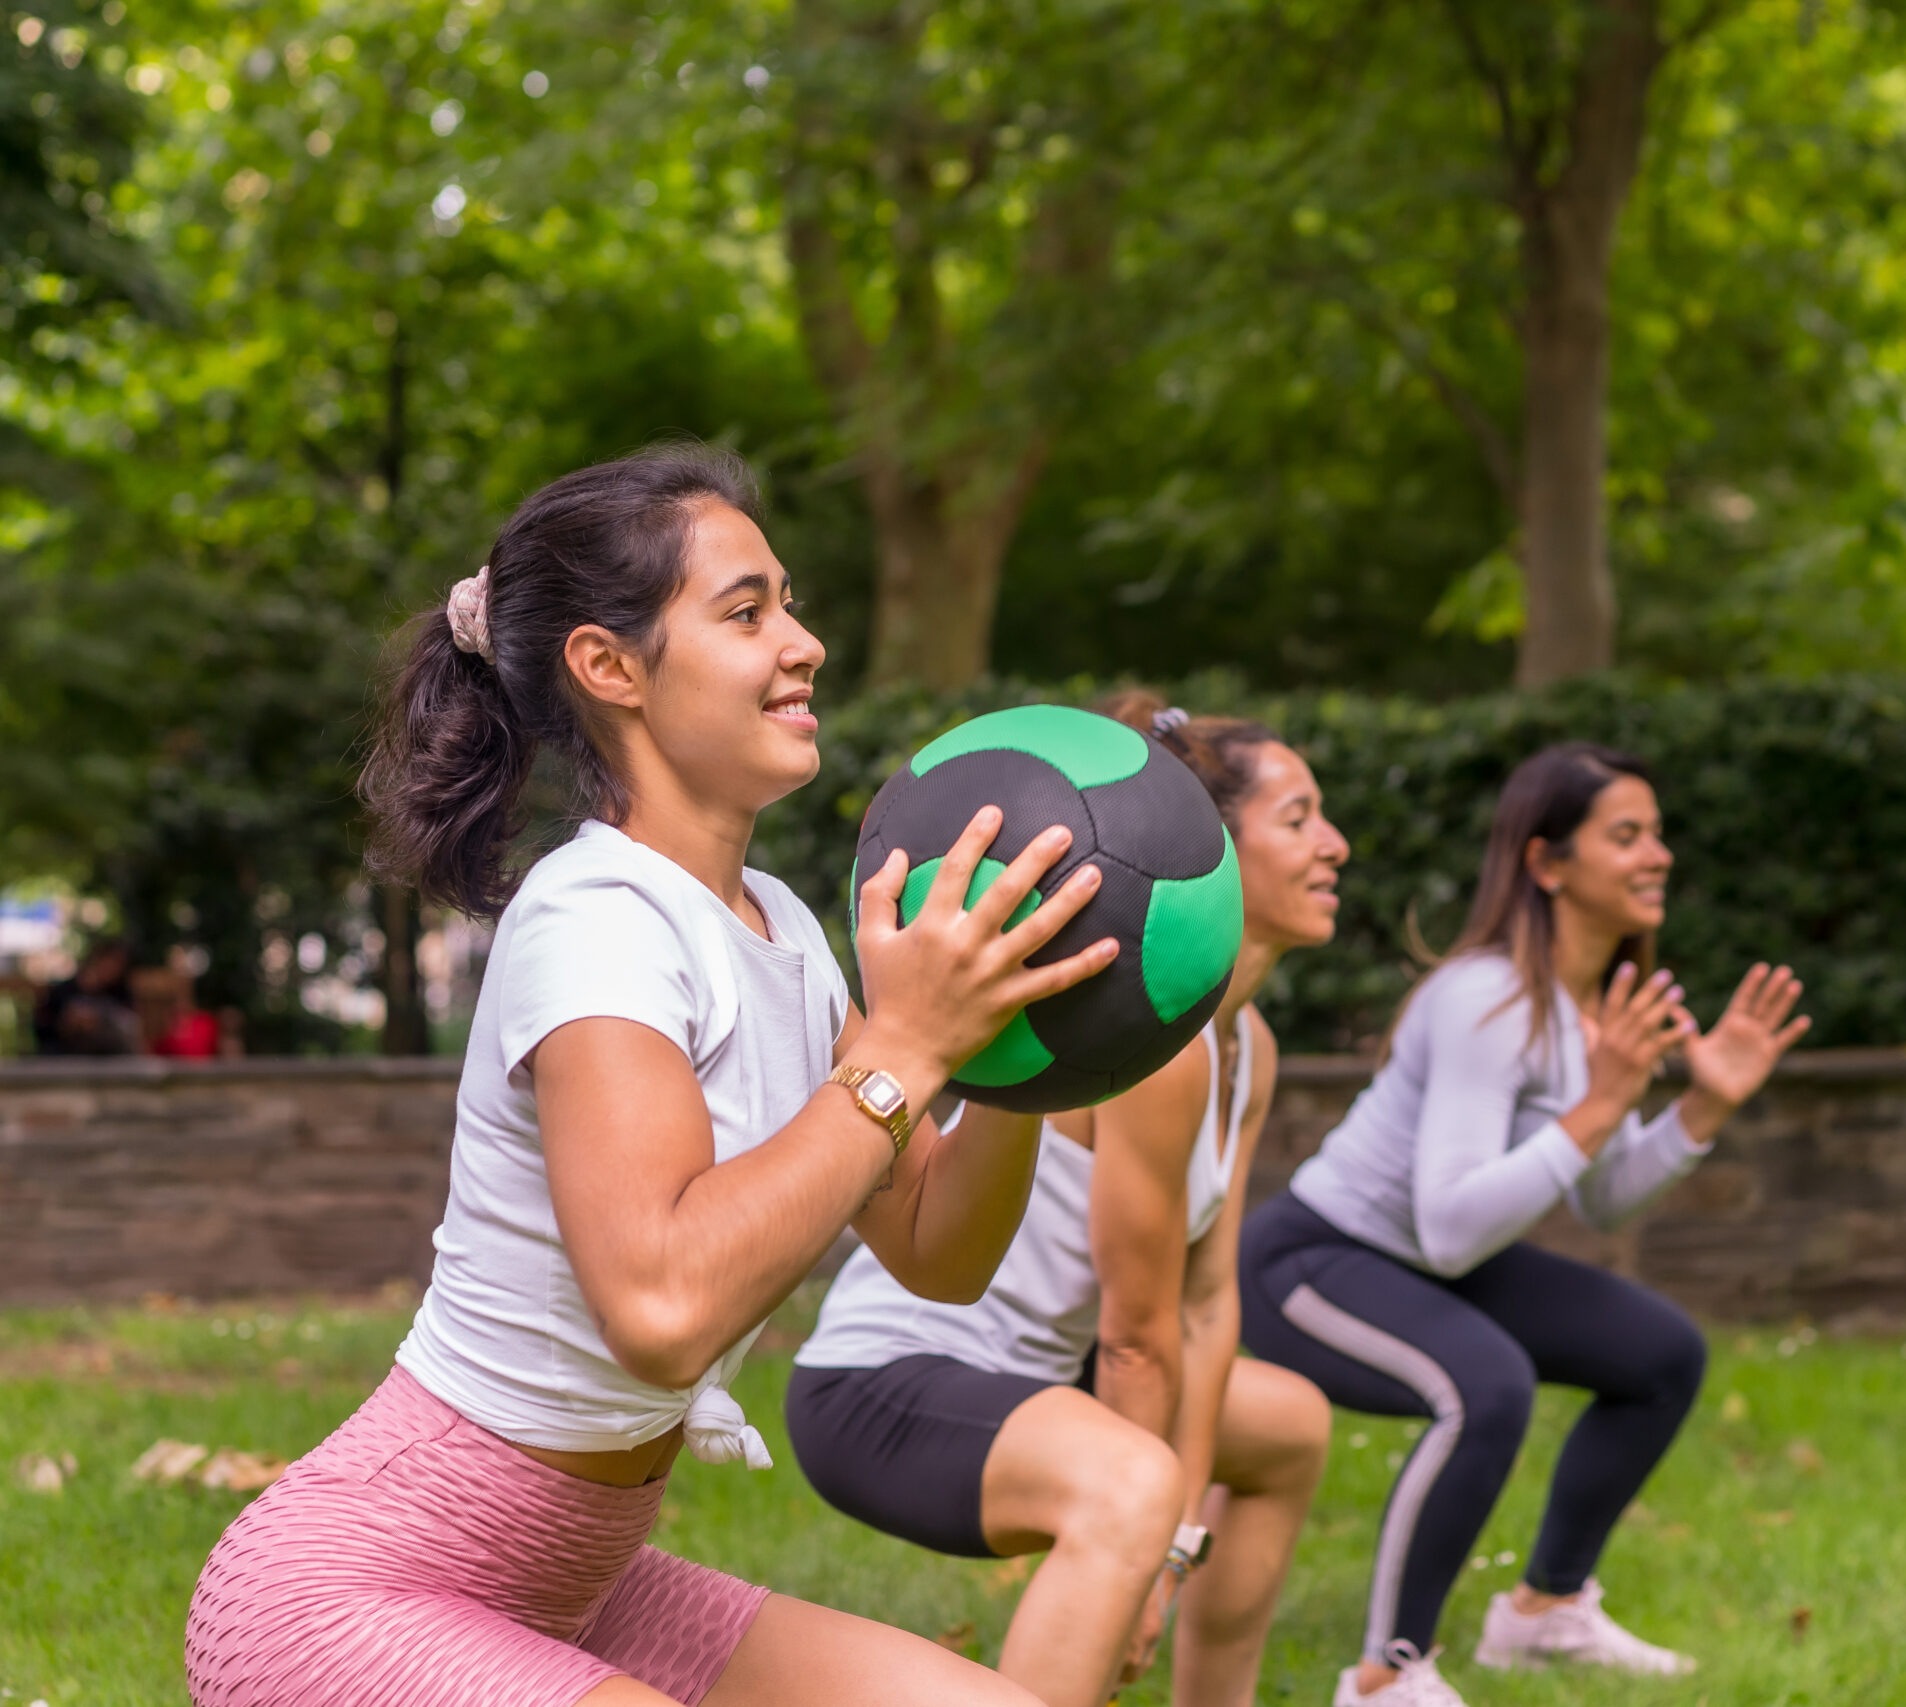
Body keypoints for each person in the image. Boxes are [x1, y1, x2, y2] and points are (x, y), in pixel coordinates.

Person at [184, 444, 1118, 1707]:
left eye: (788, 602)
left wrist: (1016, 1050)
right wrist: (902, 1052)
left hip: (581, 1584)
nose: (804, 644)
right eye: (747, 612)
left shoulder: (783, 926)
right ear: (609, 666)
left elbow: (938, 1251)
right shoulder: (595, 916)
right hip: (348, 1597)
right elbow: (662, 1308)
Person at [786, 693, 1344, 1707]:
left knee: (1292, 1426)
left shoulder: (1242, 1047)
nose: (1336, 845)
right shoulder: (1153, 1062)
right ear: (1203, 849)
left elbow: (1208, 1306)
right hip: (887, 1382)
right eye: (1301, 819)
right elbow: (1136, 1337)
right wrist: (1151, 1551)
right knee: (1126, 1487)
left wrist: (1171, 1554)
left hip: (1045, 1373)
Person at [1238, 742, 1810, 1707]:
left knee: (1660, 1353)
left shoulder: (1588, 1006)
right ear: (1547, 864)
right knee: (1485, 1383)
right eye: (1626, 834)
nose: (1657, 854)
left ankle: (1543, 1615)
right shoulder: (1485, 1000)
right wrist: (1599, 1107)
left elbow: (1602, 1196)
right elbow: (1452, 1224)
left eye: (1658, 834)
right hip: (1312, 1261)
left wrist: (1700, 1107)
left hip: (1429, 1263)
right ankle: (1385, 1678)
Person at [33, 937, 139, 1055]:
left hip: (108, 1053)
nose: (112, 969)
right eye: (109, 962)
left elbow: (129, 1026)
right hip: (65, 1052)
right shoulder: (65, 990)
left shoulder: (119, 991)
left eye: (118, 965)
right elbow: (44, 1025)